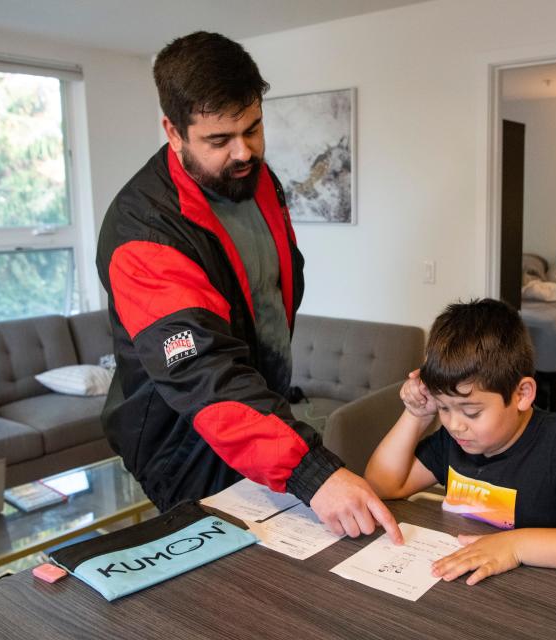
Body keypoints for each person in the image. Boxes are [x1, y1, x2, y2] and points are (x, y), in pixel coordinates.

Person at [96, 31, 400, 543]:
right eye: (219, 140)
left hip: (258, 412)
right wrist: (312, 472)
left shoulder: (256, 179)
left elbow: (270, 292)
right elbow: (202, 375)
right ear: (173, 131)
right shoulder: (144, 234)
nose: (244, 151)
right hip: (187, 436)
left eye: (253, 128)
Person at [364, 298, 556, 583]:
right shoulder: (456, 441)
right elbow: (383, 486)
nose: (454, 425)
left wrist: (515, 545)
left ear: (522, 394)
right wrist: (417, 414)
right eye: (443, 408)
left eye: (471, 411)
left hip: (550, 594)